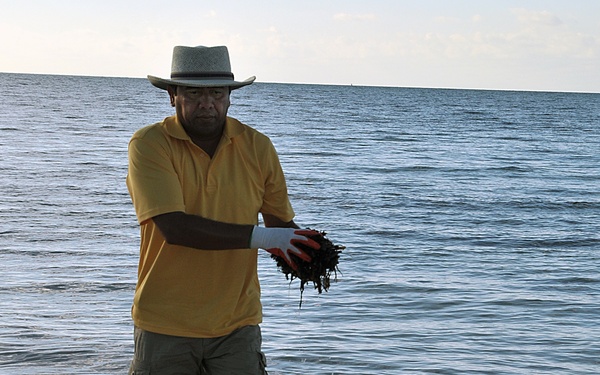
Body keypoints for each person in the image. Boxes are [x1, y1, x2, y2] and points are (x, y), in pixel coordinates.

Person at [126, 45, 320, 374]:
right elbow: (174, 228)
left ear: (230, 96)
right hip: (165, 324)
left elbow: (280, 226)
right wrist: (266, 237)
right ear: (172, 95)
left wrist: (310, 253)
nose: (207, 104)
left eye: (217, 92)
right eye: (193, 93)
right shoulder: (150, 144)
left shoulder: (257, 147)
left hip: (237, 325)